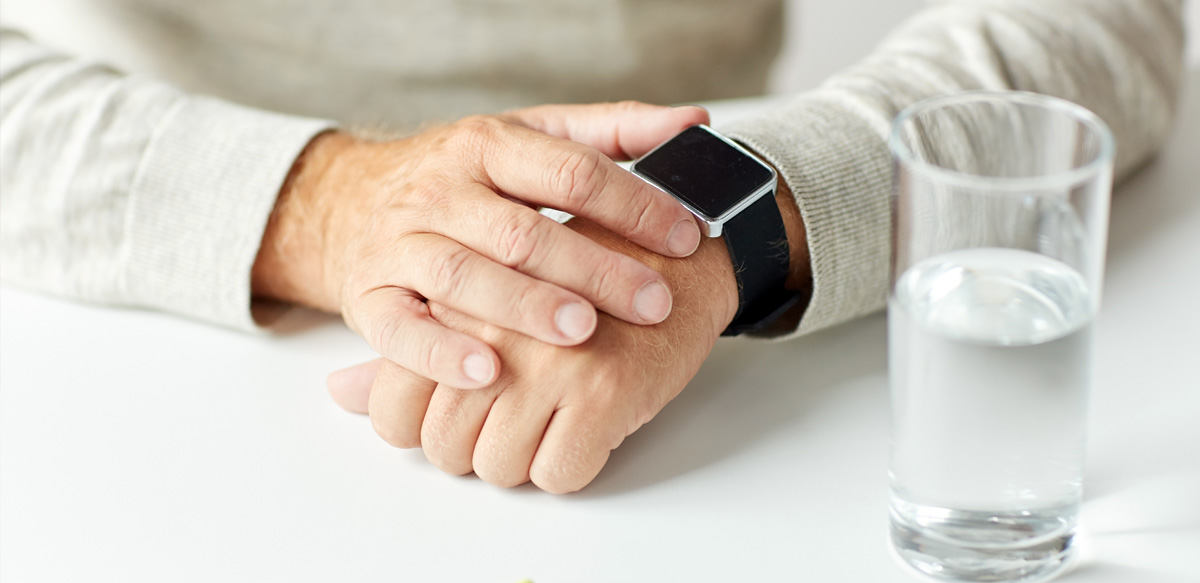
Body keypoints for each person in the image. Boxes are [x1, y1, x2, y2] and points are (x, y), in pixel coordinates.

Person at [0, 0, 1186, 492]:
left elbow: (1114, 21)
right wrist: (332, 204)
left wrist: (723, 219)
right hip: (128, 359)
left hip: (738, 381)